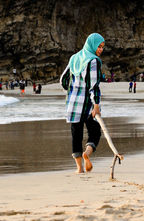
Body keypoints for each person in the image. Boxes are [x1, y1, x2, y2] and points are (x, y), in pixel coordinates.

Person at [60, 33, 104, 174]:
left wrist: (73, 91)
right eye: (99, 46)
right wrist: (96, 105)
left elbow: (63, 80)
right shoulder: (93, 61)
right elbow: (94, 86)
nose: (100, 50)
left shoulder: (74, 58)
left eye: (102, 47)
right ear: (92, 45)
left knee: (76, 134)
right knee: (95, 131)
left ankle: (79, 168)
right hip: (88, 104)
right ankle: (87, 153)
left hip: (73, 104)